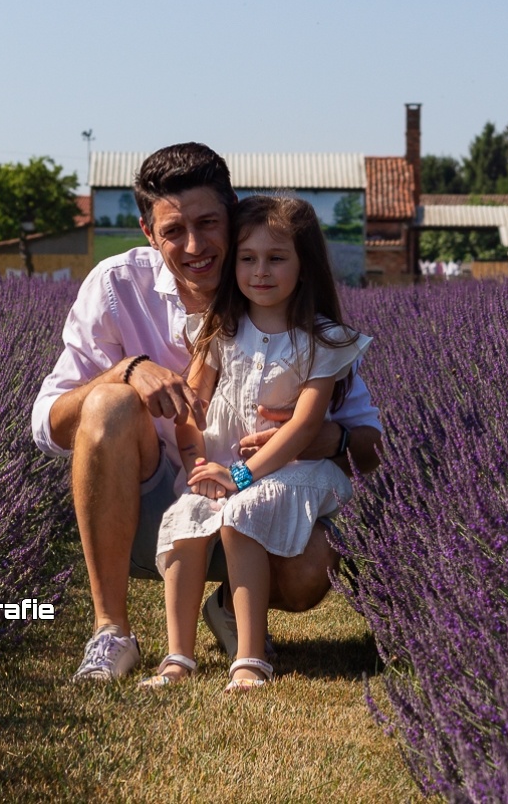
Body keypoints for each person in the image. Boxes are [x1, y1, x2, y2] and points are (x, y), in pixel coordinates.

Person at [30, 144, 383, 681]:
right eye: (173, 231)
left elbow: (370, 447)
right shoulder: (116, 286)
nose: (195, 246)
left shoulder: (288, 305)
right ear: (149, 233)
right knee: (108, 400)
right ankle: (112, 632)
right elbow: (48, 425)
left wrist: (323, 438)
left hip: (259, 496)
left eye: (208, 223)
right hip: (151, 503)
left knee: (314, 569)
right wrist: (125, 371)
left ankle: (229, 609)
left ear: (233, 214)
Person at [138, 195, 371, 692]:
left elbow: (305, 428)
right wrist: (196, 462)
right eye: (247, 258)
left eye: (276, 258)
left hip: (293, 470)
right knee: (185, 518)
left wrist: (242, 476)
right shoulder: (220, 329)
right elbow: (189, 408)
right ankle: (177, 656)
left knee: (245, 514)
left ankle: (248, 657)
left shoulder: (322, 340)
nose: (260, 272)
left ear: (304, 266)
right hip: (225, 468)